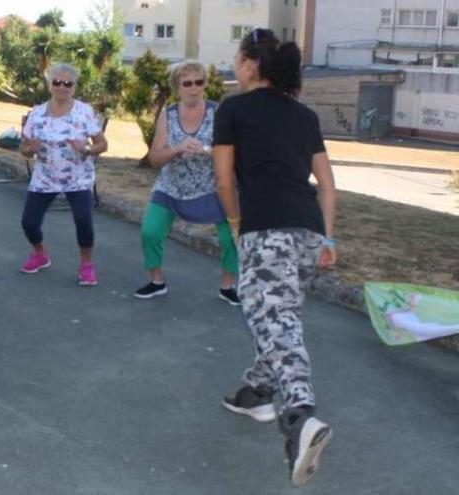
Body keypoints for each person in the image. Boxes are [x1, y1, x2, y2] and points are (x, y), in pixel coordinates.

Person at [212, 29, 337, 486]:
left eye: (236, 59)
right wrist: (328, 239)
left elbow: (224, 180)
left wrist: (235, 222)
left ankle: (300, 416)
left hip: (268, 231)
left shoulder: (233, 109)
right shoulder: (303, 115)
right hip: (307, 231)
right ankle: (256, 394)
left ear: (249, 64)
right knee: (277, 316)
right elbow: (326, 183)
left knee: (275, 318)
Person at [134, 60, 239, 304]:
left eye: (199, 82)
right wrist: (177, 148)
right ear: (177, 87)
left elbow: (234, 152)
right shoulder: (168, 115)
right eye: (187, 83)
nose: (194, 88)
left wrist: (205, 150)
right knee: (150, 231)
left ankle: (228, 286)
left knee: (231, 237)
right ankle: (156, 281)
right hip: (172, 187)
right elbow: (155, 158)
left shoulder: (218, 112)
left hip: (213, 187)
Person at [19, 63, 108, 286]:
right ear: (49, 85)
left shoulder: (84, 112)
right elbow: (24, 148)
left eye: (67, 83)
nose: (62, 87)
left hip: (77, 177)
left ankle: (86, 265)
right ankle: (40, 254)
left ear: (74, 87)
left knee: (83, 220)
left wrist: (86, 149)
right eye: (57, 82)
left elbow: (102, 144)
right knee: (29, 223)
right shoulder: (37, 113)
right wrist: (30, 148)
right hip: (45, 176)